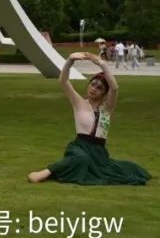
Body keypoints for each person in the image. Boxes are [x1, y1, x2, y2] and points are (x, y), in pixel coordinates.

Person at [28, 52, 150, 185]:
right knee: (81, 159)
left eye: (99, 88)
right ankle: (44, 173)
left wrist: (101, 64)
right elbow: (63, 81)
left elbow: (114, 88)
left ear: (104, 93)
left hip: (98, 152)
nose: (94, 89)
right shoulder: (79, 103)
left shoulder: (107, 109)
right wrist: (70, 61)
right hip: (80, 146)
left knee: (128, 168)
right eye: (92, 84)